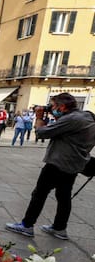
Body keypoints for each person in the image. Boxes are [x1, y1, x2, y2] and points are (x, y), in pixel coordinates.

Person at [6, 93, 95, 240]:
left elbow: (42, 133)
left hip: (58, 163)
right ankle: (59, 228)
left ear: (62, 107)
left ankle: (27, 225)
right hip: (73, 164)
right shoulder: (86, 117)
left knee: (39, 194)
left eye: (53, 106)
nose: (52, 108)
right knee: (64, 197)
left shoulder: (71, 119)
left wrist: (40, 117)